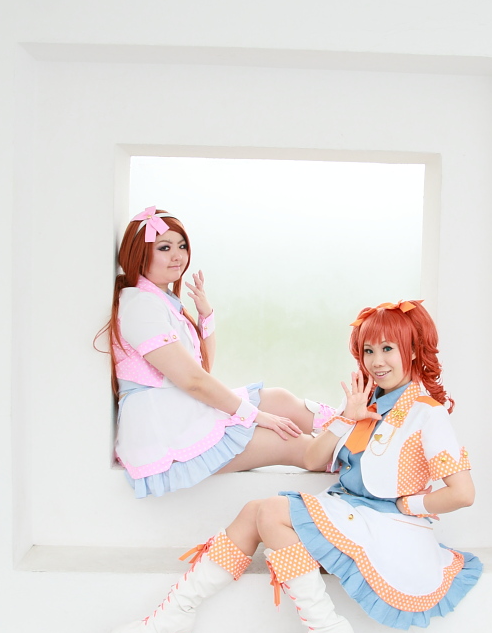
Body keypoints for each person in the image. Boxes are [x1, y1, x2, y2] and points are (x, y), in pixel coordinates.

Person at [112, 299, 482, 633]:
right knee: (254, 512)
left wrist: (409, 504)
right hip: (353, 515)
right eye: (369, 350)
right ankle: (176, 614)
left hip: (388, 529)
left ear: (414, 350)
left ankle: (324, 630)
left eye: (388, 349)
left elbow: (462, 493)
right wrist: (346, 419)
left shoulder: (426, 412)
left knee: (269, 511)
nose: (376, 361)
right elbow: (311, 458)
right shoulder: (366, 401)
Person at [100, 207, 336, 497]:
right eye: (164, 248)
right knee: (292, 444)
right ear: (138, 254)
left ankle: (357, 430)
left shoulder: (159, 300)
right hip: (164, 429)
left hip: (181, 411)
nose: (178, 256)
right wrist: (255, 415)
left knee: (281, 400)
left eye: (182, 246)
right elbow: (194, 381)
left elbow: (202, 370)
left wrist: (205, 314)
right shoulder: (141, 305)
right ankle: (364, 456)